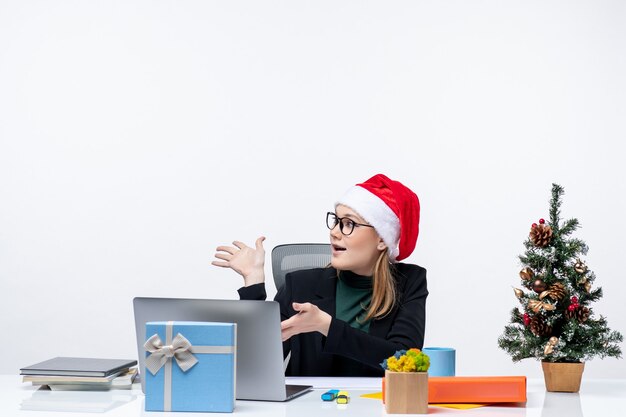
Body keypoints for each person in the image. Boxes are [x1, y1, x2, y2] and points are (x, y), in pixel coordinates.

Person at [212, 174, 427, 376]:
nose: (334, 232)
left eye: (349, 224)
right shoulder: (300, 285)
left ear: (382, 239)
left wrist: (326, 326)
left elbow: (404, 360)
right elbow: (257, 359)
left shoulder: (409, 282)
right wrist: (253, 280)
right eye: (336, 221)